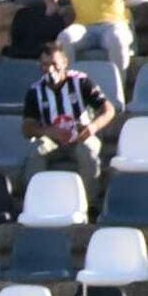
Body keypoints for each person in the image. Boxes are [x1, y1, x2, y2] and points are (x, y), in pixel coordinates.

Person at [22, 41, 115, 207]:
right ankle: (37, 205)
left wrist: (93, 127)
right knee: (34, 154)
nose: (50, 70)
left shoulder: (81, 82)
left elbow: (109, 110)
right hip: (52, 141)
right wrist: (49, 132)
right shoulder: (35, 91)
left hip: (81, 136)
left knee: (88, 155)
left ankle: (87, 205)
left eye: (54, 65)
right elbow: (27, 128)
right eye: (44, 65)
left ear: (65, 63)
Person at [47, 0, 145, 73]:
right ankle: (72, 84)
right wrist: (51, 4)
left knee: (117, 39)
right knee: (64, 38)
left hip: (113, 24)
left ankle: (119, 87)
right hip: (83, 27)